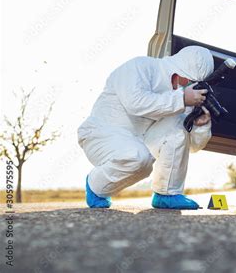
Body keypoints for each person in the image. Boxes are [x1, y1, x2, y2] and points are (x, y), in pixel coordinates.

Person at [77, 46, 214, 209]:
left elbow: (191, 147)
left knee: (177, 124)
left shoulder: (181, 96)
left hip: (140, 139)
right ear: (177, 70)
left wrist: (201, 126)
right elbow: (135, 103)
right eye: (189, 80)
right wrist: (181, 99)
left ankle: (167, 193)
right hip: (101, 134)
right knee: (138, 157)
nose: (190, 85)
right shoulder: (139, 67)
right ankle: (95, 186)